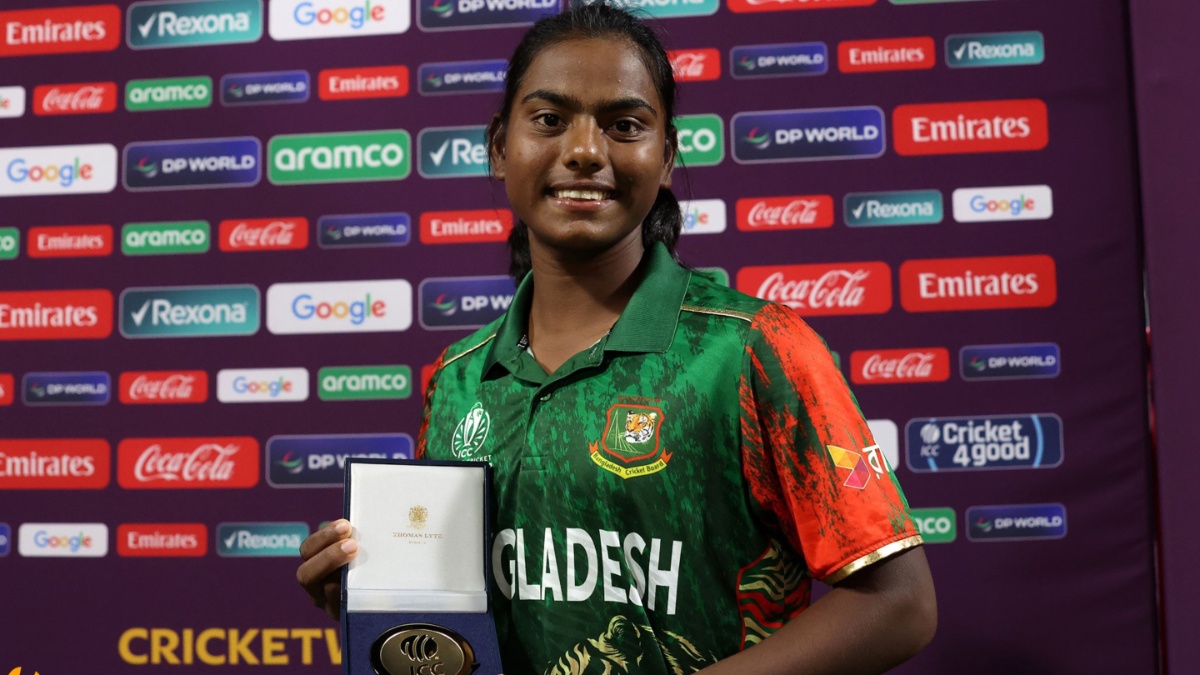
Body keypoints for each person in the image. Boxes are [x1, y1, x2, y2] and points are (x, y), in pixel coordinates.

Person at [298, 3, 937, 673]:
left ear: (666, 157)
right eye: (550, 120)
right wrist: (380, 595)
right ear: (499, 148)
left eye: (624, 125)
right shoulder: (458, 377)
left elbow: (899, 603)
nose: (584, 150)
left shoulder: (751, 349)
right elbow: (463, 629)